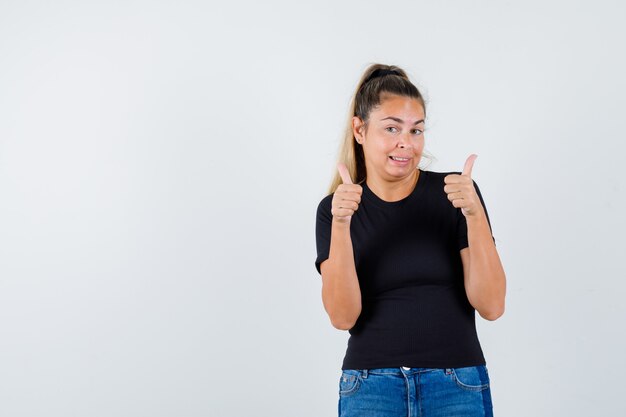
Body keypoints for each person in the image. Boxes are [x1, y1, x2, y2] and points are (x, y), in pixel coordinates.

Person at [314, 64, 506, 417]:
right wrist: (341, 225)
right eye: (391, 128)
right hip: (371, 386)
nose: (406, 143)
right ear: (360, 129)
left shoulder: (456, 194)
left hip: (456, 384)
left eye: (416, 130)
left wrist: (475, 216)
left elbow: (492, 305)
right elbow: (342, 317)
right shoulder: (336, 209)